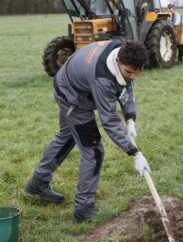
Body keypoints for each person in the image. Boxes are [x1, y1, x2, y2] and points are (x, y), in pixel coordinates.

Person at [25, 40, 151, 223]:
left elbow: (126, 86)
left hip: (71, 80)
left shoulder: (124, 50)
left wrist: (130, 117)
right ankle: (83, 211)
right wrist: (135, 153)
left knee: (66, 137)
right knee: (93, 151)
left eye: (137, 72)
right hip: (72, 97)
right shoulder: (102, 79)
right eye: (129, 72)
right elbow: (109, 121)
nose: (133, 76)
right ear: (117, 61)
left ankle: (37, 184)